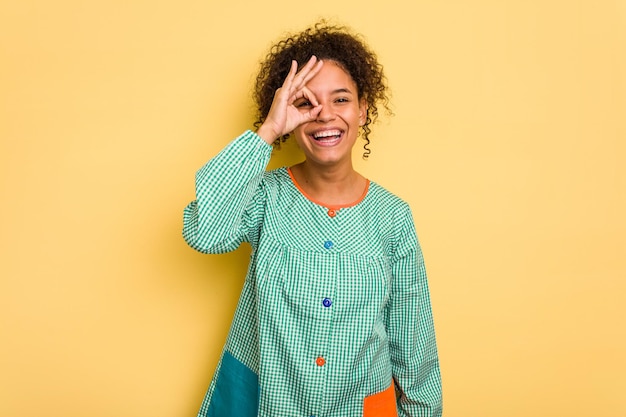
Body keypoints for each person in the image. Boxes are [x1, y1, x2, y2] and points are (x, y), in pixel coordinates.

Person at [183, 21, 442, 417]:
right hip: (263, 403)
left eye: (341, 100)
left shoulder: (393, 217)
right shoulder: (264, 196)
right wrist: (268, 131)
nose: (324, 115)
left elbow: (413, 339)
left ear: (363, 111)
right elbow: (205, 233)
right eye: (306, 103)